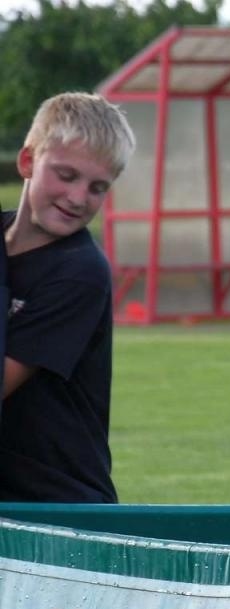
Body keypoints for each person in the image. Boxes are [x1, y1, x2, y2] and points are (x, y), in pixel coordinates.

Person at [0, 92, 135, 504]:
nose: (78, 198)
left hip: (60, 509)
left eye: (97, 187)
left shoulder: (79, 272)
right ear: (27, 162)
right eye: (66, 175)